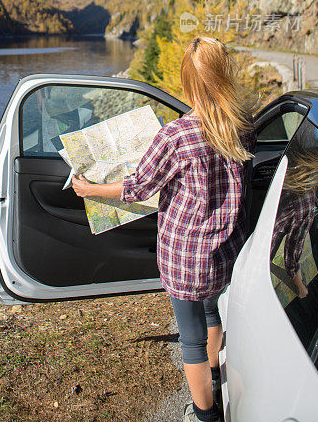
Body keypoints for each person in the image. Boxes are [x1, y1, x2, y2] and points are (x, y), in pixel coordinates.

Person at [72, 35, 258, 422]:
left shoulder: (175, 136)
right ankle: (215, 380)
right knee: (213, 315)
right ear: (224, 77)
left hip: (186, 258)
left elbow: (137, 187)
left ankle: (205, 414)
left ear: (189, 83)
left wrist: (88, 188)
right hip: (227, 252)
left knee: (189, 340)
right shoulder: (243, 128)